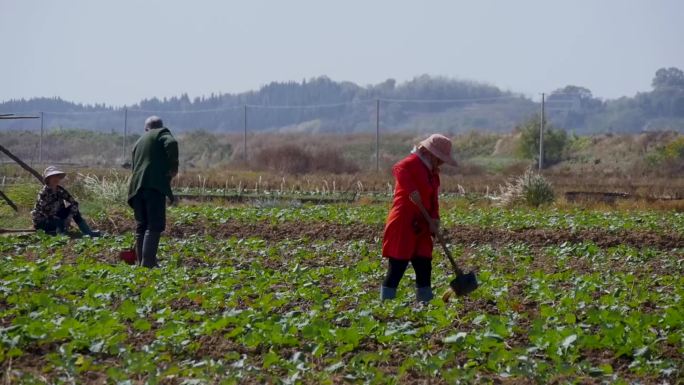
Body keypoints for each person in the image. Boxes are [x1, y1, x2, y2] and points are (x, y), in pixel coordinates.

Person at [380, 134, 457, 302]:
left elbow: (433, 199)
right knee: (398, 266)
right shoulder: (412, 163)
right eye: (440, 158)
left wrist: (435, 219)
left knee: (424, 263)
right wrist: (411, 190)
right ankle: (385, 306)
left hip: (423, 224)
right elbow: (398, 169)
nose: (441, 162)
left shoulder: (433, 174)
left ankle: (425, 305)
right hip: (404, 222)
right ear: (430, 153)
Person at [128, 116, 179, 268]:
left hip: (136, 188)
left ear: (146, 129)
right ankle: (148, 263)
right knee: (154, 224)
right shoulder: (161, 133)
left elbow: (134, 167)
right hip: (153, 185)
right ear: (160, 126)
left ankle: (141, 263)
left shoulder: (138, 142)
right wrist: (173, 168)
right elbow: (172, 142)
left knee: (141, 225)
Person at [31, 166, 101, 237]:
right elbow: (47, 213)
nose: (56, 178)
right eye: (53, 176)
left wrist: (69, 217)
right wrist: (62, 220)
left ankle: (87, 231)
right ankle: (60, 233)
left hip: (56, 217)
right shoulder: (44, 193)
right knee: (59, 222)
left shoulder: (60, 190)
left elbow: (73, 203)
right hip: (43, 221)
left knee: (74, 210)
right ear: (48, 179)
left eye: (57, 176)